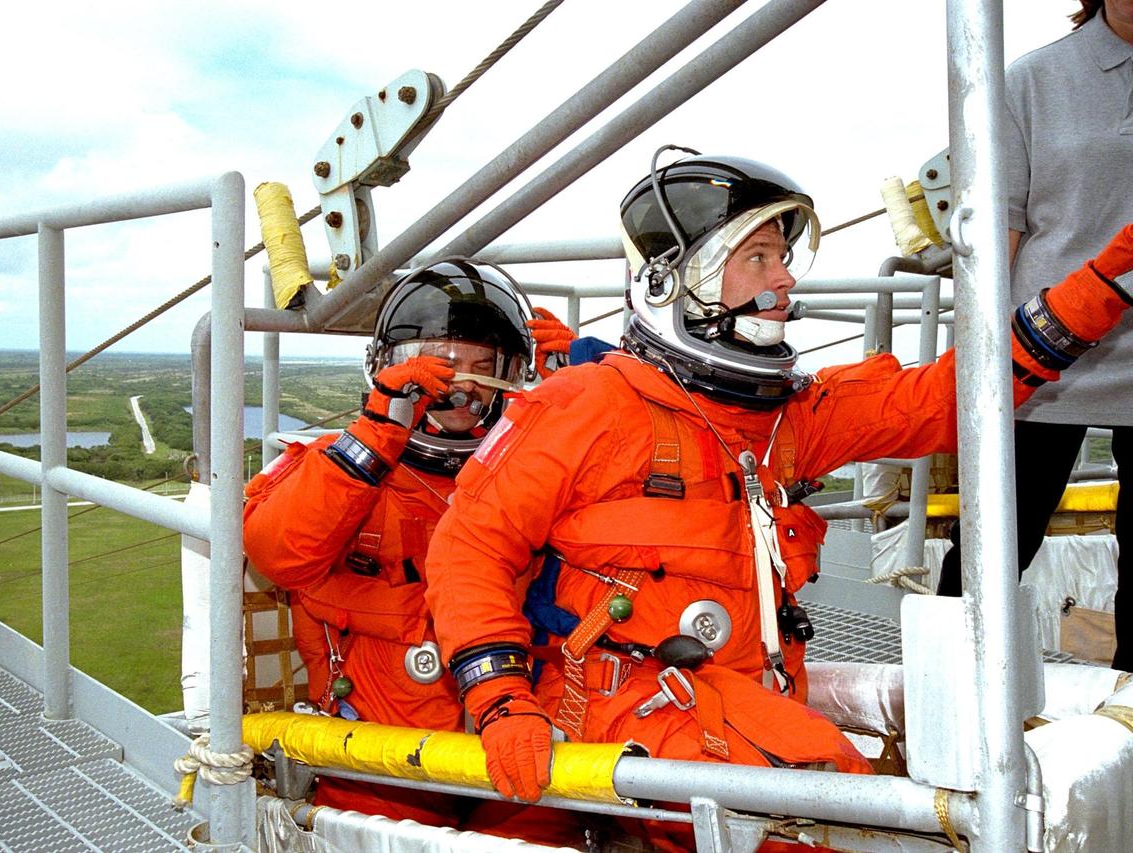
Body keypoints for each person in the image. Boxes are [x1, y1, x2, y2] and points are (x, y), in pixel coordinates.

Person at [422, 149, 1133, 849]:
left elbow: (947, 395)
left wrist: (1104, 285)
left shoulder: (785, 419)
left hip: (742, 705)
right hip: (625, 709)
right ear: (680, 279)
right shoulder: (587, 404)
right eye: (759, 257)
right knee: (845, 808)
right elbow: (471, 544)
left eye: (784, 258)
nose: (785, 279)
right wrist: (499, 695)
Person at [241, 257, 540, 827]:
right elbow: (280, 554)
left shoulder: (531, 472)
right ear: (390, 368)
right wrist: (378, 433)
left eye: (484, 367)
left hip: (509, 736)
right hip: (377, 760)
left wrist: (579, 390)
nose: (466, 386)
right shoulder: (342, 465)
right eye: (442, 364)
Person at [936, 1, 1133, 672]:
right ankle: (943, 702)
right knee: (989, 548)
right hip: (1047, 353)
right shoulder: (1031, 80)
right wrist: (982, 357)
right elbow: (999, 230)